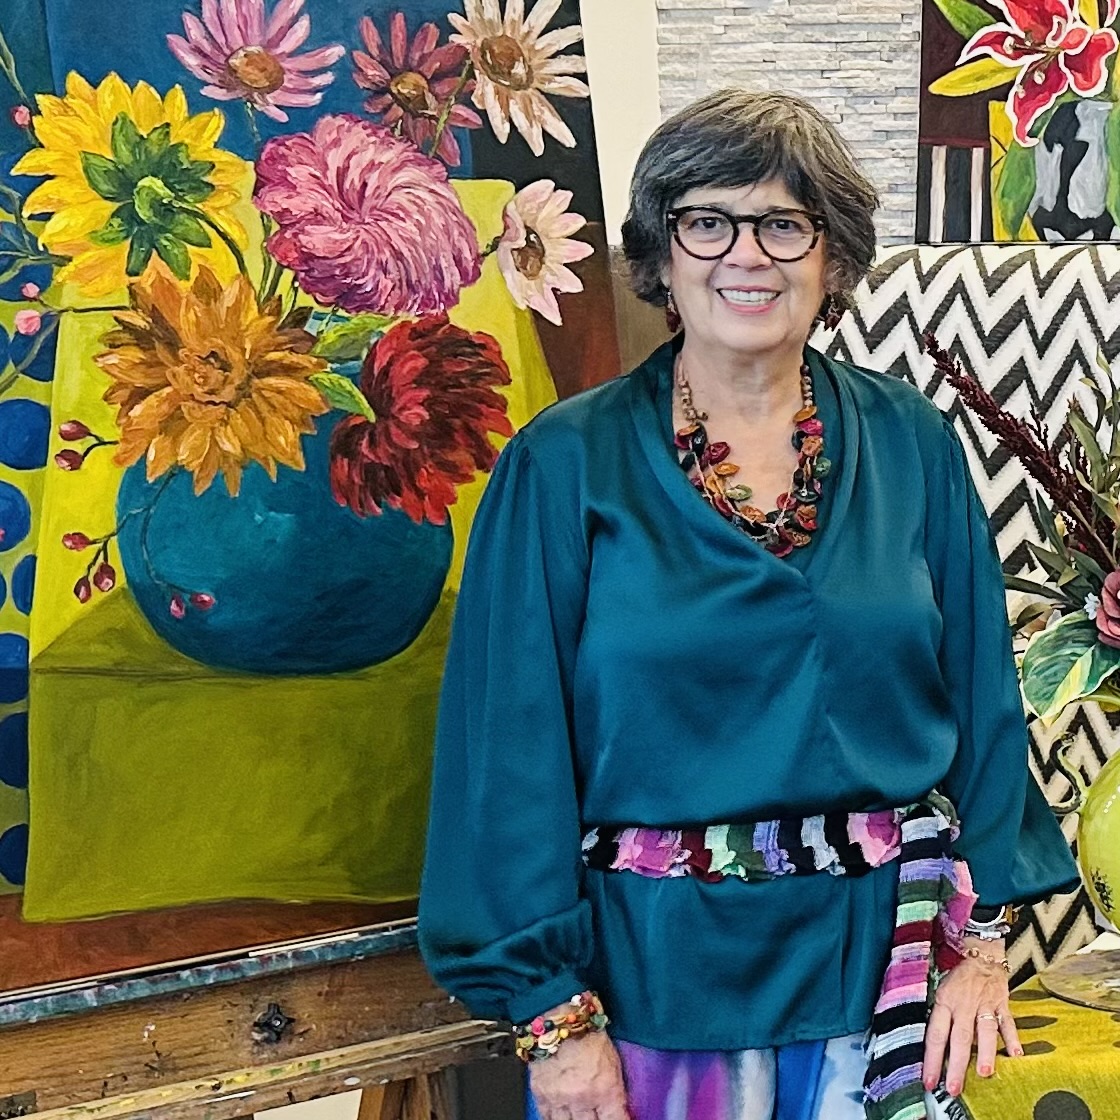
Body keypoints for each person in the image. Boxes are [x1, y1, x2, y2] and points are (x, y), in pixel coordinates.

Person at [418, 89, 1079, 1120]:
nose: (747, 255)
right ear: (662, 254)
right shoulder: (564, 465)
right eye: (708, 222)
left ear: (832, 257)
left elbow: (983, 697)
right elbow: (507, 749)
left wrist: (983, 941)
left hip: (888, 978)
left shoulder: (910, 441)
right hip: (649, 993)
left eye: (783, 224)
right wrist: (551, 1013)